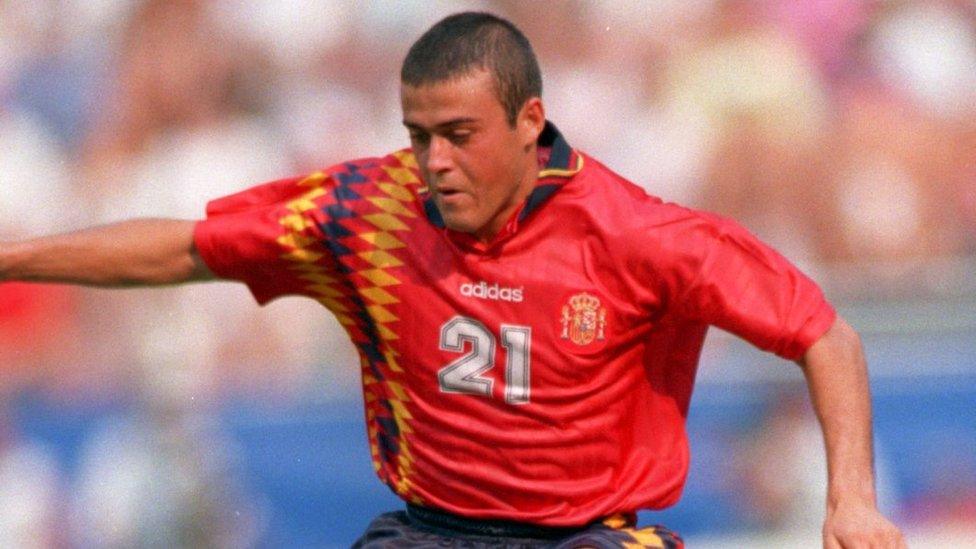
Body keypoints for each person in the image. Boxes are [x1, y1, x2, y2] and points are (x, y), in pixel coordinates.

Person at [0, 11, 905, 549]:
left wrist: (852, 500)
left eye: (459, 135)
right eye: (417, 132)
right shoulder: (364, 207)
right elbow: (190, 249)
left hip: (591, 536)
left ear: (529, 122)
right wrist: (13, 258)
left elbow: (825, 334)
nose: (433, 161)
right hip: (427, 530)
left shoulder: (639, 235)